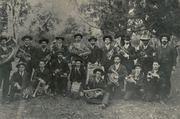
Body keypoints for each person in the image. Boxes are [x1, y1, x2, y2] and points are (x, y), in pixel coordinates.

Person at [156, 34, 177, 101]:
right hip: (160, 66)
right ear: (161, 40)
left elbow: (174, 58)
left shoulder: (171, 48)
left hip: (168, 66)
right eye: (163, 39)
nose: (164, 40)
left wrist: (173, 66)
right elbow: (156, 57)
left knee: (167, 80)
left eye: (165, 39)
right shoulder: (158, 48)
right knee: (160, 79)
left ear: (167, 40)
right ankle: (160, 93)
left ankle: (166, 94)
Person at [0, 36, 13, 103]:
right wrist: (1, 56)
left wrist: (9, 57)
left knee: (6, 83)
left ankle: (4, 98)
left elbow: (12, 59)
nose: (4, 42)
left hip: (7, 68)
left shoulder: (9, 49)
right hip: (0, 68)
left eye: (5, 41)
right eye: (2, 41)